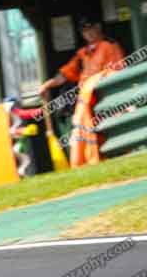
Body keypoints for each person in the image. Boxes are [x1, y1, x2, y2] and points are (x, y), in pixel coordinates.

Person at [38, 17, 125, 166]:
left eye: (90, 29)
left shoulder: (109, 46)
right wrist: (47, 85)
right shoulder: (83, 53)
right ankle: (89, 162)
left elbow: (117, 72)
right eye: (84, 31)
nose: (88, 33)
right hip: (86, 102)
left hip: (104, 98)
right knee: (82, 131)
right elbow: (65, 74)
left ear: (98, 27)